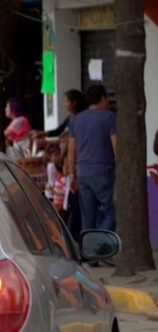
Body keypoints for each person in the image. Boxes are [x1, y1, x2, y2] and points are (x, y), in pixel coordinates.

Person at [66, 84, 117, 232]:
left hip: (82, 173)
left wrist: (71, 175)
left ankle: (88, 251)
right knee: (111, 213)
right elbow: (116, 146)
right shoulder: (109, 117)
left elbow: (71, 149)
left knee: (87, 217)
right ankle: (100, 244)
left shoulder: (76, 120)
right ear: (103, 97)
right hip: (103, 171)